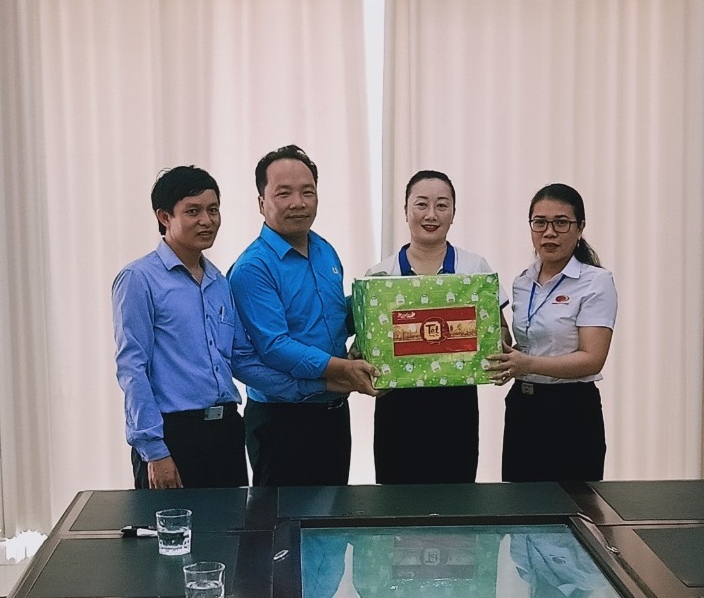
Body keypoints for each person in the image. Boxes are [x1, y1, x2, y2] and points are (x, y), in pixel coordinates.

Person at [112, 166, 323, 489]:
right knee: (174, 525)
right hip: (172, 436)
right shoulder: (139, 279)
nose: (207, 221)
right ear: (164, 217)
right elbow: (132, 369)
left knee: (232, 523)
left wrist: (311, 387)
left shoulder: (219, 282)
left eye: (213, 210)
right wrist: (154, 450)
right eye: (193, 211)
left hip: (225, 432)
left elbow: (241, 360)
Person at [229, 145, 379, 487]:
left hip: (333, 411)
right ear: (261, 202)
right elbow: (275, 347)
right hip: (281, 419)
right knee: (282, 518)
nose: (298, 202)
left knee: (332, 513)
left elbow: (333, 319)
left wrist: (376, 306)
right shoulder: (253, 268)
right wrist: (343, 369)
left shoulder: (324, 250)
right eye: (284, 193)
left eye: (307, 192)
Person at [364, 170, 511, 484]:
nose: (431, 214)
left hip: (456, 405)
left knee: (456, 500)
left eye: (442, 205)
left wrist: (495, 347)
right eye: (421, 204)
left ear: (453, 213)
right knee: (395, 502)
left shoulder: (475, 268)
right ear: (406, 210)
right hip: (396, 406)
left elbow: (502, 332)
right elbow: (365, 346)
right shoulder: (380, 276)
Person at [487, 183, 617, 482]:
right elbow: (523, 344)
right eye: (540, 222)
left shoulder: (596, 282)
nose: (549, 233)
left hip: (571, 410)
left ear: (580, 228)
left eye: (561, 223)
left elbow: (592, 359)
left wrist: (526, 363)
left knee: (573, 503)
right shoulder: (523, 282)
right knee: (519, 503)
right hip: (522, 405)